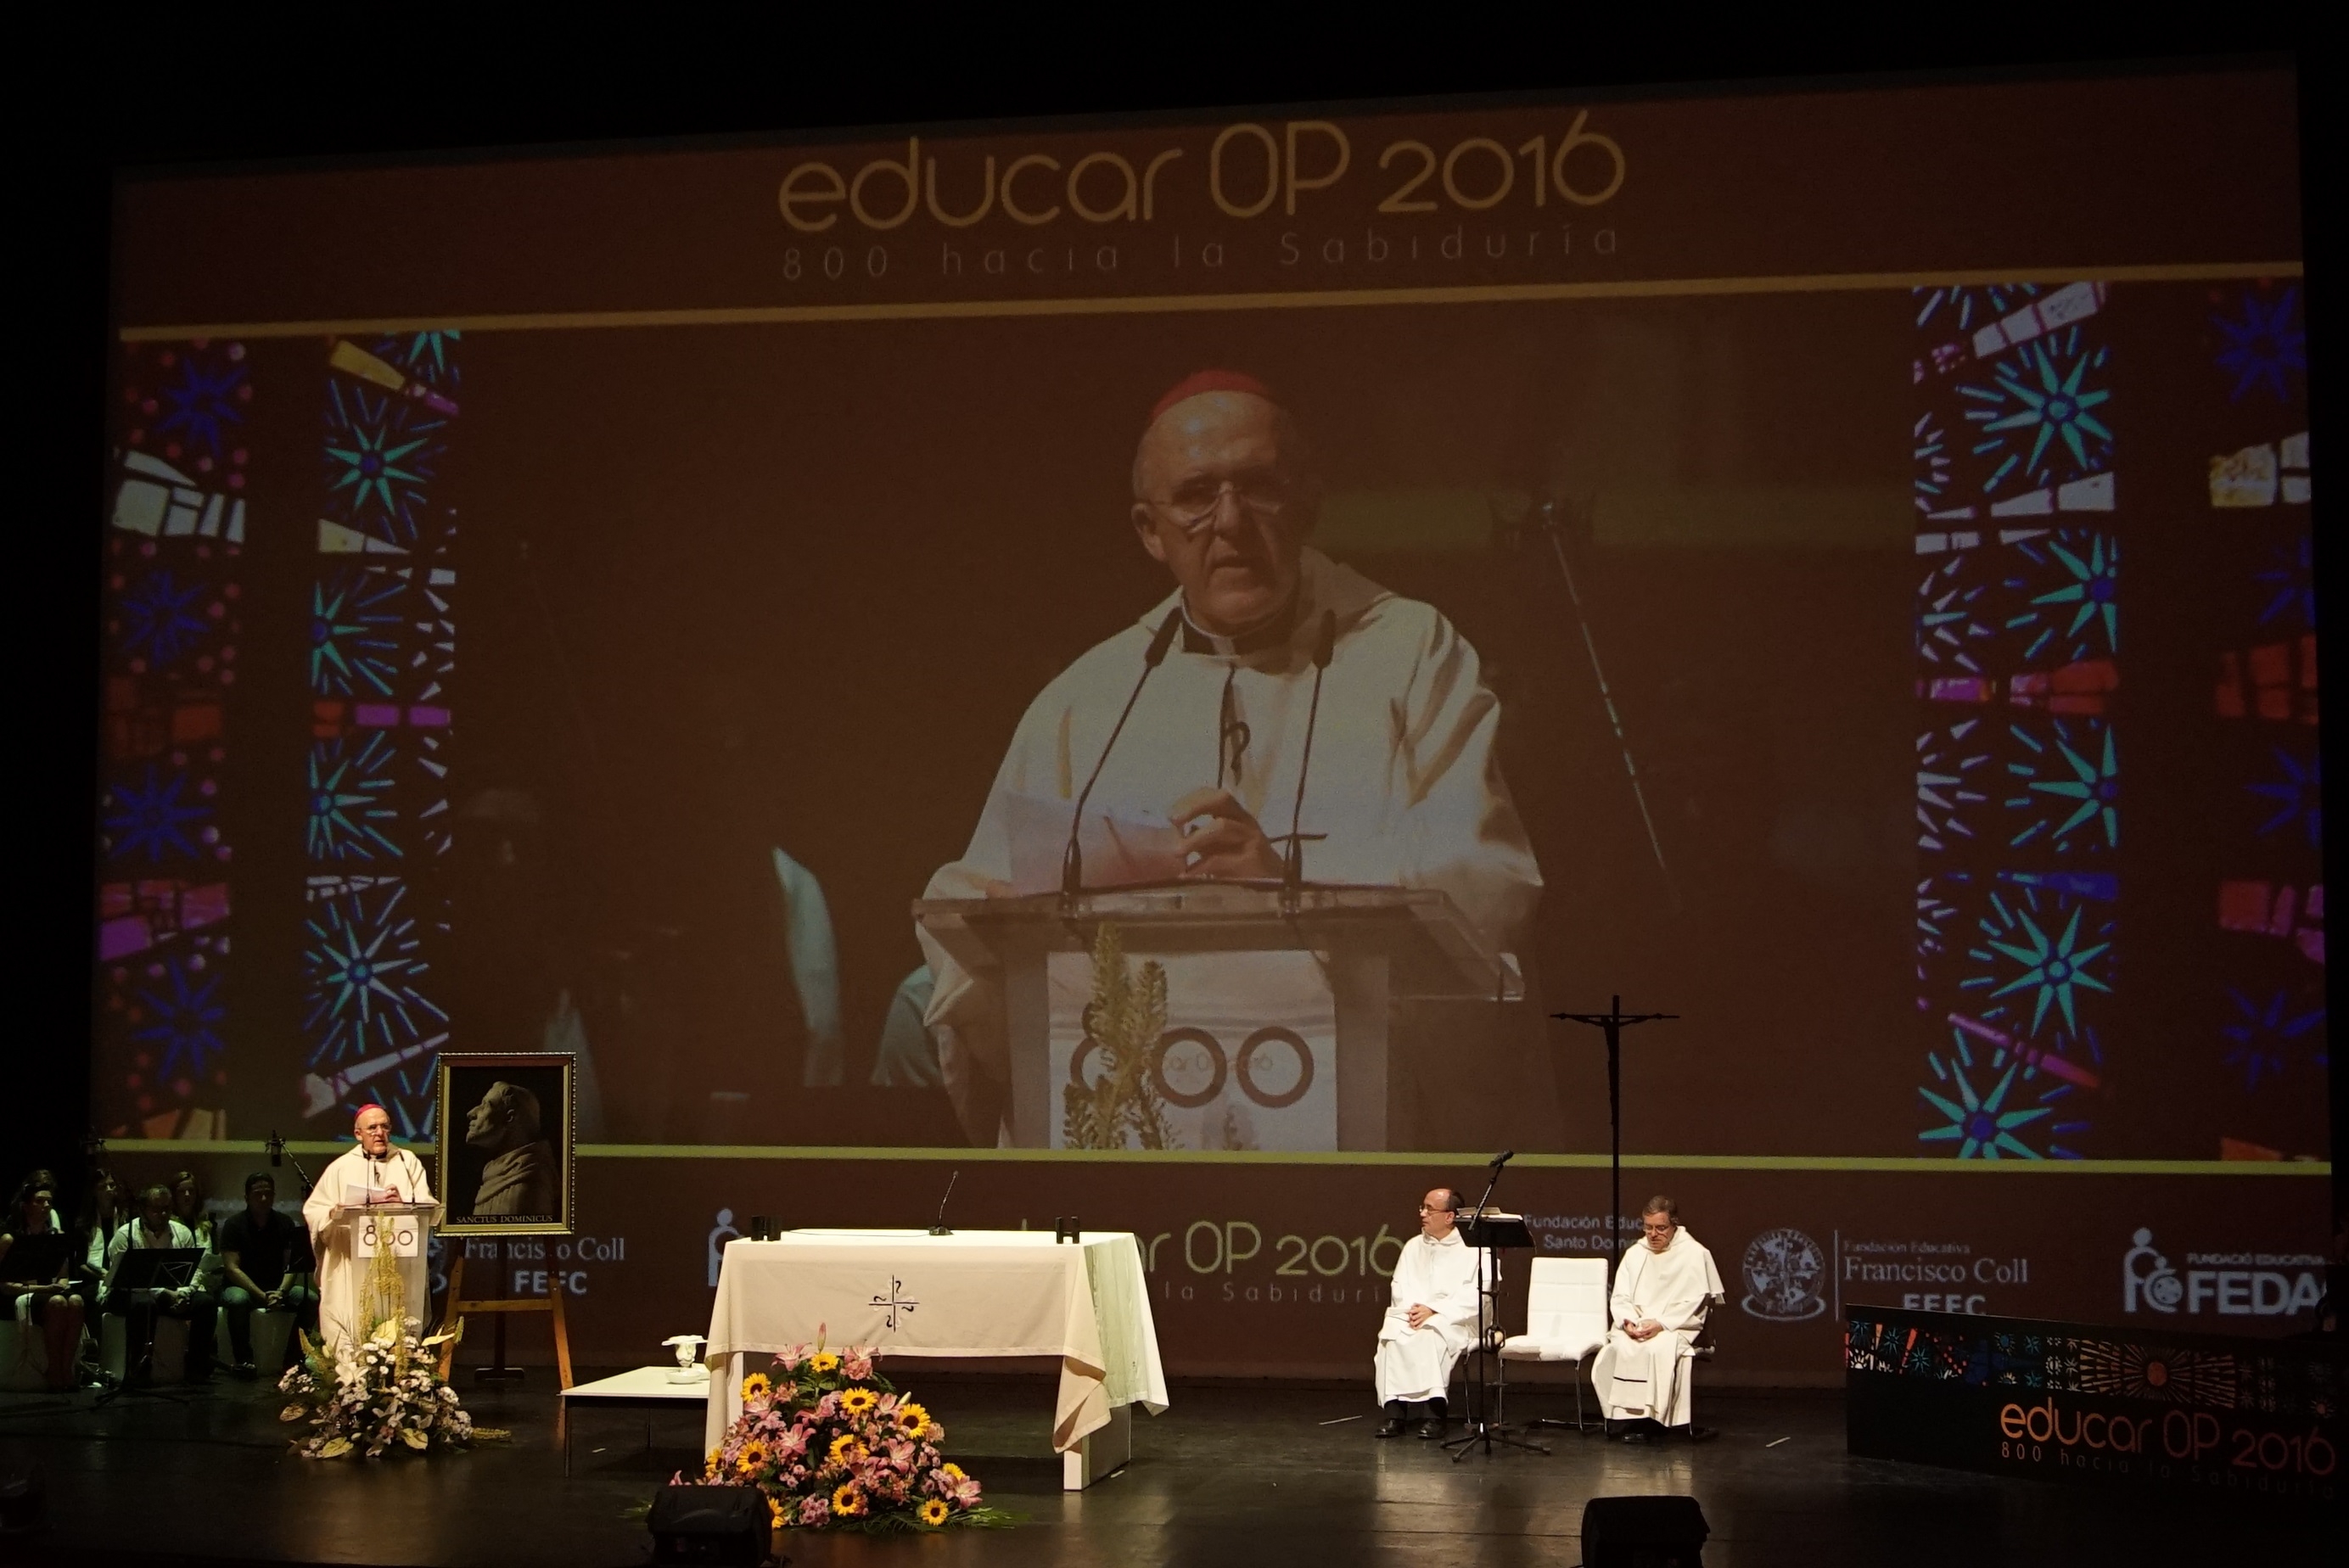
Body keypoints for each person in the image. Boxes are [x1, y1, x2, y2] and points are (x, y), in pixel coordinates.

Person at [919, 372, 1544, 1141]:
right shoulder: (1092, 698)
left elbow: (1483, 881)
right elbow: (974, 915)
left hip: (1359, 1125)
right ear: (1151, 531)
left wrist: (1288, 879)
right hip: (1139, 1126)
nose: (1231, 521)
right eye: (1196, 495)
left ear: (1308, 502)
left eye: (1259, 487)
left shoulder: (1413, 655)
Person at [302, 1104, 438, 1352]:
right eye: (372, 1128)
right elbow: (315, 1211)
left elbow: (427, 1206)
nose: (380, 1133)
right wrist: (336, 1212)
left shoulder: (408, 1162)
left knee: (398, 1335)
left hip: (397, 1266)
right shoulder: (340, 1168)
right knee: (353, 1331)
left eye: (385, 1127)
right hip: (353, 1266)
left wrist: (404, 1203)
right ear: (358, 1134)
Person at [1589, 1196, 1724, 1442]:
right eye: (1648, 1227)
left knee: (1657, 1348)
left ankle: (1657, 1420)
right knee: (1619, 1346)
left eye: (1660, 1228)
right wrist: (1629, 1322)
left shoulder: (1694, 1253)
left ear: (1674, 1226)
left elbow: (1694, 1303)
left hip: (1676, 1327)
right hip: (1638, 1326)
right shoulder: (1635, 1254)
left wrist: (1660, 1324)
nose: (1653, 1234)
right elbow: (1620, 1297)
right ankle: (1623, 1420)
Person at [1372, 1187, 1481, 1438]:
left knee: (1431, 1336)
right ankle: (1394, 1416)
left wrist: (1434, 1310)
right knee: (1392, 1335)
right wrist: (1415, 1311)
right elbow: (1399, 1286)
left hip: (1456, 1319)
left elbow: (1476, 1294)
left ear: (1450, 1216)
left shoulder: (1474, 1249)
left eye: (1429, 1209)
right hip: (1414, 1315)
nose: (1422, 1213)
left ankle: (1434, 1416)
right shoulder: (1413, 1246)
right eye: (1422, 1207)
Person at [102, 1183, 216, 1385]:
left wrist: (183, 1294)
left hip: (174, 1293)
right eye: (156, 1210)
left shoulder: (182, 1233)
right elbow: (128, 1278)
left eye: (166, 1209)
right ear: (143, 1210)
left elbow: (196, 1269)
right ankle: (138, 1371)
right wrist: (165, 1294)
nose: (162, 1214)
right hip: (130, 1293)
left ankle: (196, 1369)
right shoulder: (124, 1235)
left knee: (206, 1303)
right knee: (144, 1304)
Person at [216, 1173, 318, 1377]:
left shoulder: (285, 1223)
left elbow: (292, 1265)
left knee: (310, 1298)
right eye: (257, 1194)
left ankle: (293, 1360)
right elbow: (232, 1268)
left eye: (268, 1194)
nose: (263, 1199)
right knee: (237, 1300)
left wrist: (280, 1292)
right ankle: (244, 1360)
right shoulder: (234, 1225)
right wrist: (261, 1295)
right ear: (247, 1198)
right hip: (243, 1287)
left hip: (276, 1287)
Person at [2, 1178, 87, 1391]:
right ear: (26, 1206)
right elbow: (4, 1285)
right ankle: (55, 1371)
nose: (47, 1206)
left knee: (76, 1300)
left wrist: (60, 1286)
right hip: (17, 1295)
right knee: (58, 1302)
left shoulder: (56, 1237)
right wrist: (46, 1290)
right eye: (40, 1201)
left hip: (48, 1292)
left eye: (49, 1202)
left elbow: (64, 1276)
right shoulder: (10, 1239)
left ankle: (66, 1369)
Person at [465, 1080, 558, 1217]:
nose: (472, 1113)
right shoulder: (497, 1174)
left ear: (509, 1117)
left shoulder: (529, 1181)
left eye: (486, 1105)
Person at [75, 1169, 131, 1296]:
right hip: (94, 1279)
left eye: (112, 1185)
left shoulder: (125, 1219)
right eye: (103, 1187)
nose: (109, 1190)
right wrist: (103, 1276)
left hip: (122, 1279)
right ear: (94, 1191)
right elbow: (81, 1264)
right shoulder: (85, 1224)